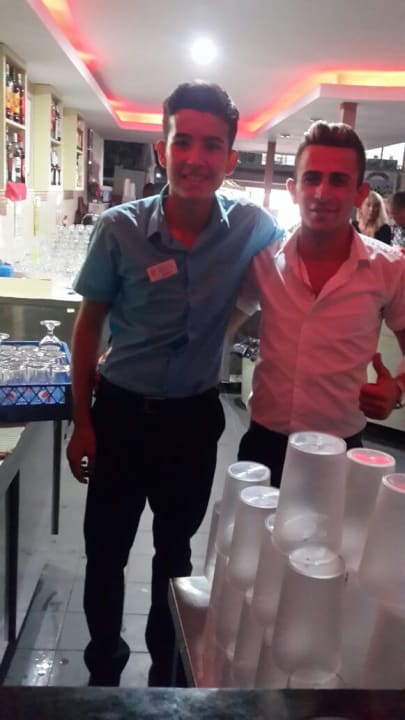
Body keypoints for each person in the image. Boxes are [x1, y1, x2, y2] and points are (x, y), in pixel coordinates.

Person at [66, 80, 282, 688]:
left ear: (230, 158)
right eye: (182, 141)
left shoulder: (253, 227)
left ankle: (166, 668)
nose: (195, 157)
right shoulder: (120, 229)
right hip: (119, 414)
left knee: (176, 551)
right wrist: (81, 421)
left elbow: (289, 278)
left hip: (192, 420)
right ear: (162, 149)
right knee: (105, 550)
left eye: (211, 145)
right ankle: (103, 671)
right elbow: (88, 328)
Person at [234, 121, 405, 488]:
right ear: (293, 190)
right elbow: (218, 324)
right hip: (264, 442)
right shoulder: (264, 260)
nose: (322, 193)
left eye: (339, 180)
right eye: (311, 178)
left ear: (360, 194)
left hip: (339, 450)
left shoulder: (389, 268)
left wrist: (398, 389)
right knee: (250, 526)